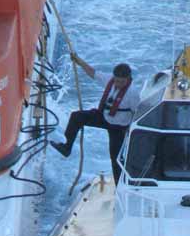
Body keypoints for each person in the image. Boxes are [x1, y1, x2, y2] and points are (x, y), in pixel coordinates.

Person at [51, 54, 141, 182]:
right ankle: (66, 147)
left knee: (116, 159)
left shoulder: (133, 93)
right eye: (116, 80)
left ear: (128, 79)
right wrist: (79, 61)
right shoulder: (110, 80)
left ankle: (119, 186)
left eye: (121, 82)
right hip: (104, 117)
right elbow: (92, 73)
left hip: (119, 127)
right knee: (76, 117)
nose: (118, 84)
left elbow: (137, 113)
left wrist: (130, 131)